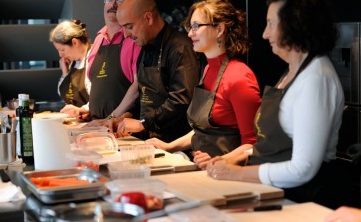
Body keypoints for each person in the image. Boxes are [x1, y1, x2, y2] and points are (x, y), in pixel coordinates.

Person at [205, 0, 348, 208]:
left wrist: (238, 173)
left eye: (271, 24)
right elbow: (274, 144)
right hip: (273, 192)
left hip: (300, 200)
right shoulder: (293, 71)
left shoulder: (316, 79)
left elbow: (303, 169)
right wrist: (235, 158)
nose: (265, 34)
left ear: (295, 25)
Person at [145, 0, 261, 161]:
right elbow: (202, 129)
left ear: (219, 29)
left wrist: (221, 161)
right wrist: (168, 147)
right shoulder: (207, 69)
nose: (190, 34)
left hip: (230, 176)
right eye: (190, 27)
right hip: (204, 169)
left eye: (196, 26)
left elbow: (253, 143)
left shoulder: (239, 76)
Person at [109, 0, 200, 143]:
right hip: (148, 141)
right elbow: (145, 94)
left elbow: (180, 101)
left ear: (148, 18)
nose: (126, 34)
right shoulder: (145, 48)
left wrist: (143, 123)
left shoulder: (180, 48)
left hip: (174, 144)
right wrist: (126, 116)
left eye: (129, 27)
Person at [60, 0, 141, 121]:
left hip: (122, 129)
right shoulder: (99, 39)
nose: (112, 4)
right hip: (97, 127)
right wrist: (86, 109)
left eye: (119, 1)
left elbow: (138, 85)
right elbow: (97, 88)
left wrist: (111, 118)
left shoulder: (134, 39)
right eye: (109, 0)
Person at [49, 19, 91, 107]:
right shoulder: (73, 63)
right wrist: (65, 73)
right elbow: (63, 94)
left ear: (75, 42)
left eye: (62, 50)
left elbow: (99, 98)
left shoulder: (93, 58)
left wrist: (83, 110)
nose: (60, 55)